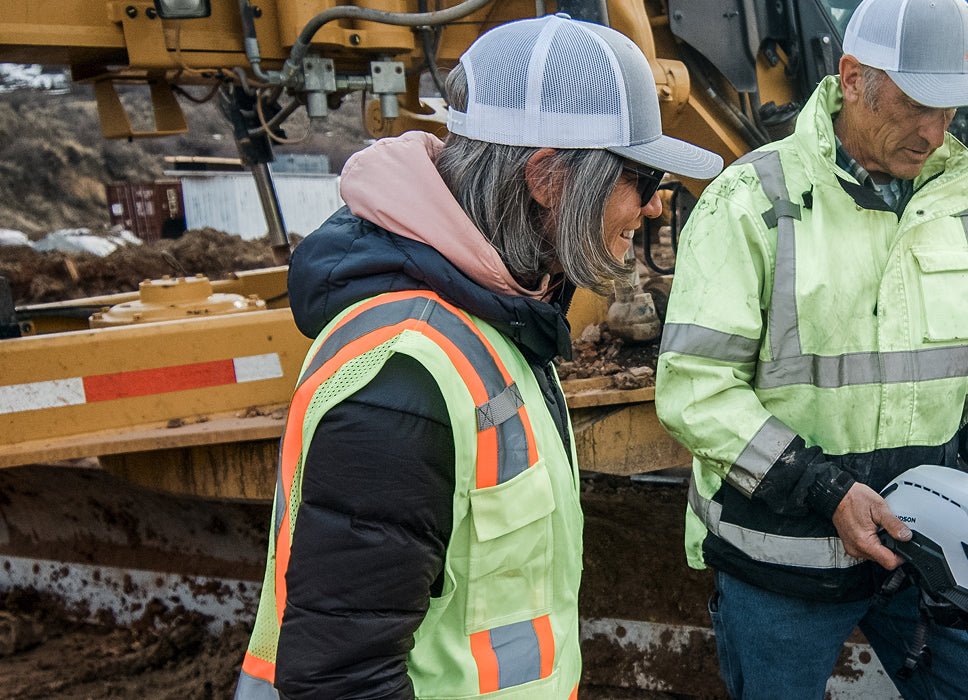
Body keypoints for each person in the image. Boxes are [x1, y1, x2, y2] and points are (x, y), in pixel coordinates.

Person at [234, 15, 720, 699]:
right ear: (549, 178)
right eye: (640, 178)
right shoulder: (404, 378)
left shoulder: (497, 321)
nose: (647, 208)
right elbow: (340, 680)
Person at [653, 0, 968, 696]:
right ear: (854, 77)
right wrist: (824, 489)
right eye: (919, 104)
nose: (935, 131)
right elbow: (696, 388)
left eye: (951, 109)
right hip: (783, 565)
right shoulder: (751, 199)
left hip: (928, 554)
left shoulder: (966, 198)